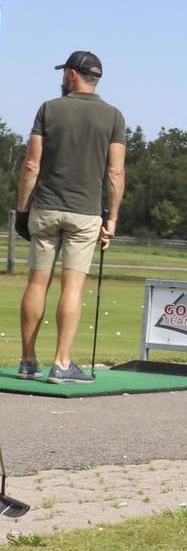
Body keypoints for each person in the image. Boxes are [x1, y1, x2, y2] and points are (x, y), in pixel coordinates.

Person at [15, 51, 127, 384]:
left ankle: (27, 360)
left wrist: (22, 210)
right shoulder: (114, 116)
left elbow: (31, 166)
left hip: (46, 209)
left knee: (38, 282)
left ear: (72, 75)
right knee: (72, 286)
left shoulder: (49, 109)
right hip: (85, 214)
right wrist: (113, 220)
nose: (63, 77)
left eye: (65, 72)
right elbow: (116, 172)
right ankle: (62, 363)